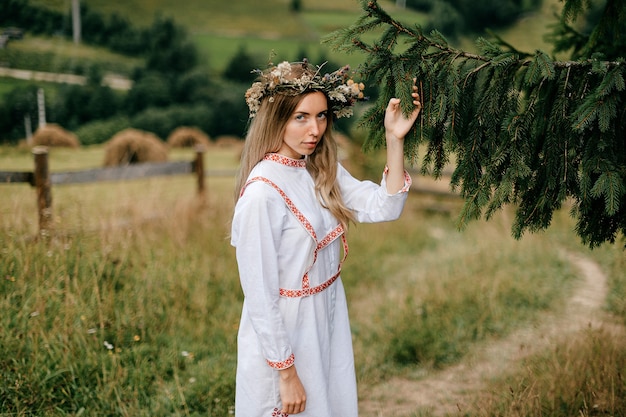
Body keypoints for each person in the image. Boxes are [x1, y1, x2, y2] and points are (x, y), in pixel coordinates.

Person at [231, 59, 421, 417]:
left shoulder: (319, 169)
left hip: (327, 318)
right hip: (286, 333)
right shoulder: (262, 193)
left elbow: (385, 207)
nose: (314, 129)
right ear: (277, 118)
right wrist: (286, 373)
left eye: (321, 117)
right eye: (301, 117)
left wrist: (394, 140)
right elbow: (259, 294)